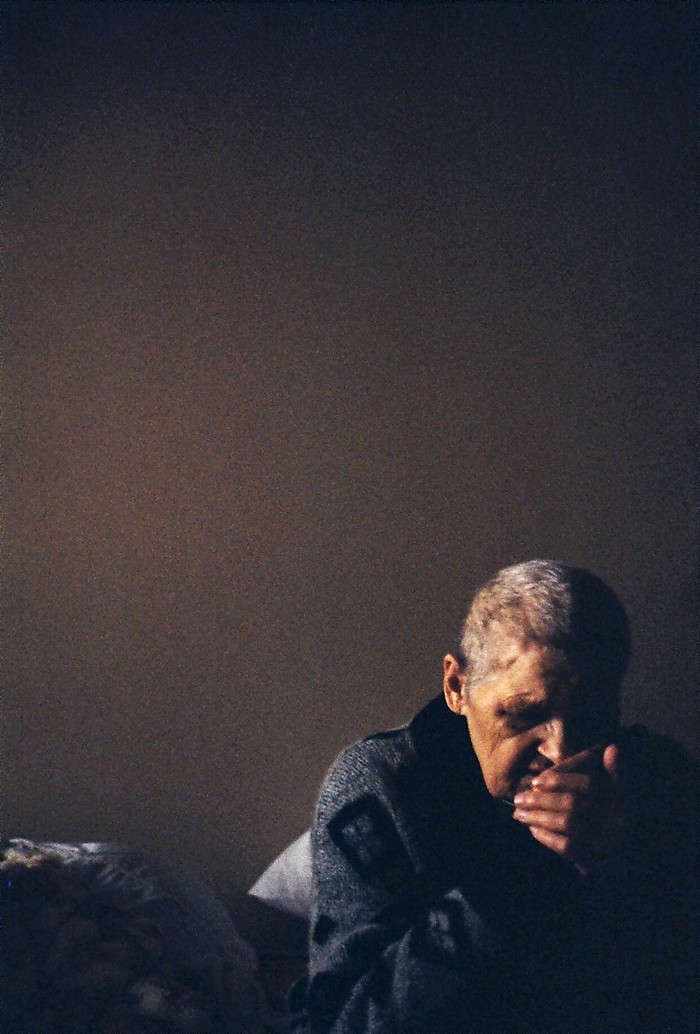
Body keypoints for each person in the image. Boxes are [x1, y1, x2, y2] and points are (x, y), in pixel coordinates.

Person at [302, 560, 697, 1034]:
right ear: (457, 687)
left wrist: (630, 866)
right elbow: (343, 1022)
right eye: (524, 715)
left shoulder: (655, 777)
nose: (560, 751)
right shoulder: (379, 787)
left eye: (591, 719)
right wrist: (515, 875)